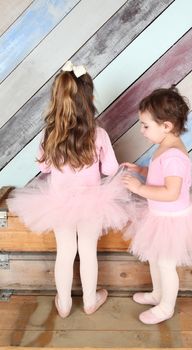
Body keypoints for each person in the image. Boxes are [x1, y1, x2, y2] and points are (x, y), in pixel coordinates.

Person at [7, 61, 130, 318]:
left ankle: (63, 303)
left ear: (57, 100)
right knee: (88, 250)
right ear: (90, 99)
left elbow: (44, 168)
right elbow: (110, 170)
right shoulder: (99, 134)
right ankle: (89, 300)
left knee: (65, 251)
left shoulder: (49, 134)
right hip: (92, 202)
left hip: (59, 203)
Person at [122, 86, 192, 325]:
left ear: (166, 126)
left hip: (172, 219)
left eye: (145, 125)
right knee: (154, 257)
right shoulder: (165, 147)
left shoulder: (174, 156)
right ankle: (158, 294)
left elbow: (171, 192)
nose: (141, 130)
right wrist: (142, 171)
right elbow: (161, 177)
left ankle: (166, 308)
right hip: (159, 216)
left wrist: (139, 189)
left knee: (165, 263)